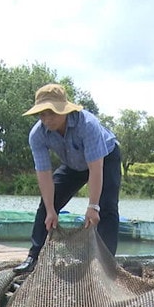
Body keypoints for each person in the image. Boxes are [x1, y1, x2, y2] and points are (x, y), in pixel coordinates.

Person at [14, 84, 122, 274]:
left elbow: (96, 168)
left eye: (52, 113)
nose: (47, 119)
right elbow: (44, 173)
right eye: (42, 114)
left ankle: (105, 265)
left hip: (105, 158)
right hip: (74, 164)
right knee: (48, 204)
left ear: (64, 109)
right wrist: (50, 210)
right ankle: (33, 256)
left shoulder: (87, 125)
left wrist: (93, 206)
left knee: (106, 207)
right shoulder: (37, 135)